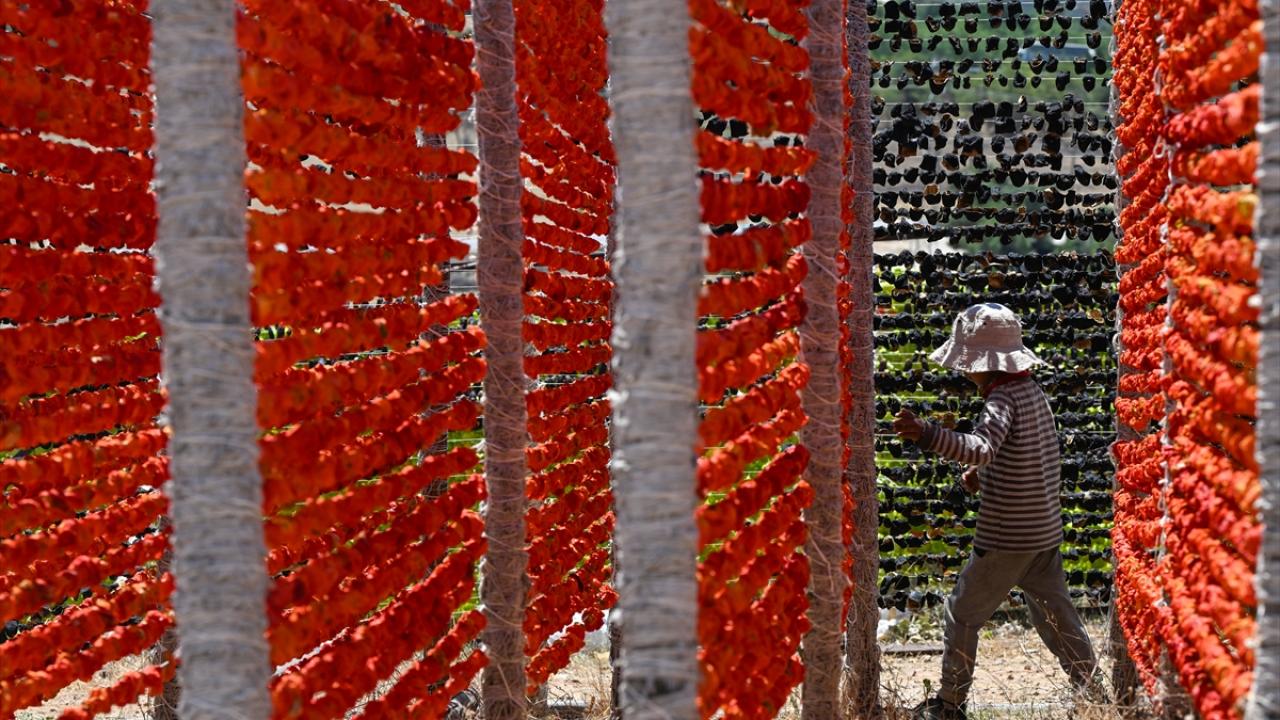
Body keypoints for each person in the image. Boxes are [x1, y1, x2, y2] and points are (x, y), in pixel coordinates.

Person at [891, 303, 1104, 720]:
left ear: (983, 365)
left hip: (1007, 537)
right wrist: (984, 477)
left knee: (961, 613)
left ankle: (950, 704)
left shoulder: (1001, 399)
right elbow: (1028, 455)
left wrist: (927, 434)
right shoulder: (1033, 392)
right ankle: (1094, 692)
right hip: (1043, 530)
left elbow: (983, 447)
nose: (962, 371)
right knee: (1057, 617)